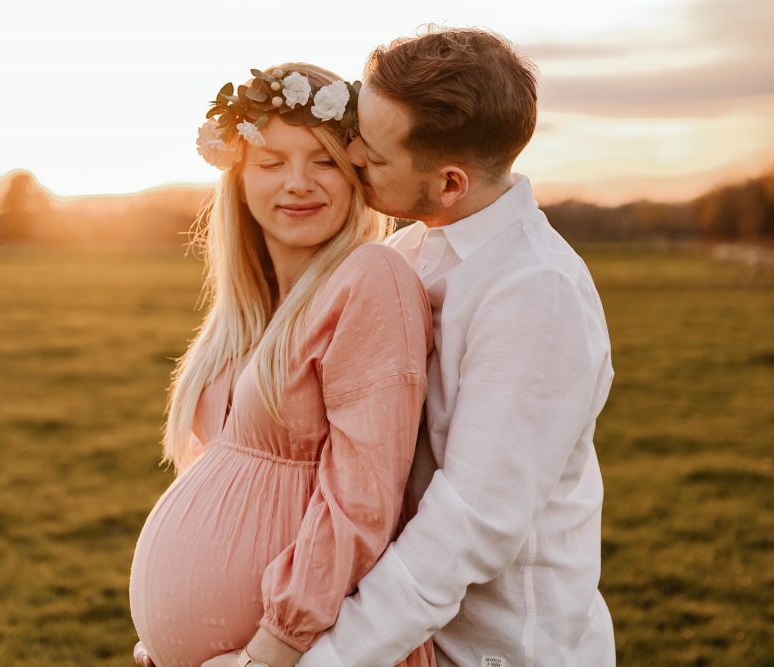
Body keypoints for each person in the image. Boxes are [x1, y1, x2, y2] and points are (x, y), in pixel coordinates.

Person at [284, 28, 617, 667]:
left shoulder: (536, 293)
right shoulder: (407, 249)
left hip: (494, 650)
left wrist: (324, 659)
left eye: (374, 153)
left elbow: (468, 525)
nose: (350, 153)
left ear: (450, 184)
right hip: (407, 641)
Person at [128, 63, 437, 667]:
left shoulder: (370, 278)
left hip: (298, 654)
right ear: (240, 182)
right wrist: (164, 634)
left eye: (324, 161)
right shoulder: (248, 312)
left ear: (356, 174)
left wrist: (267, 652)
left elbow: (363, 501)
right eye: (272, 163)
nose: (298, 183)